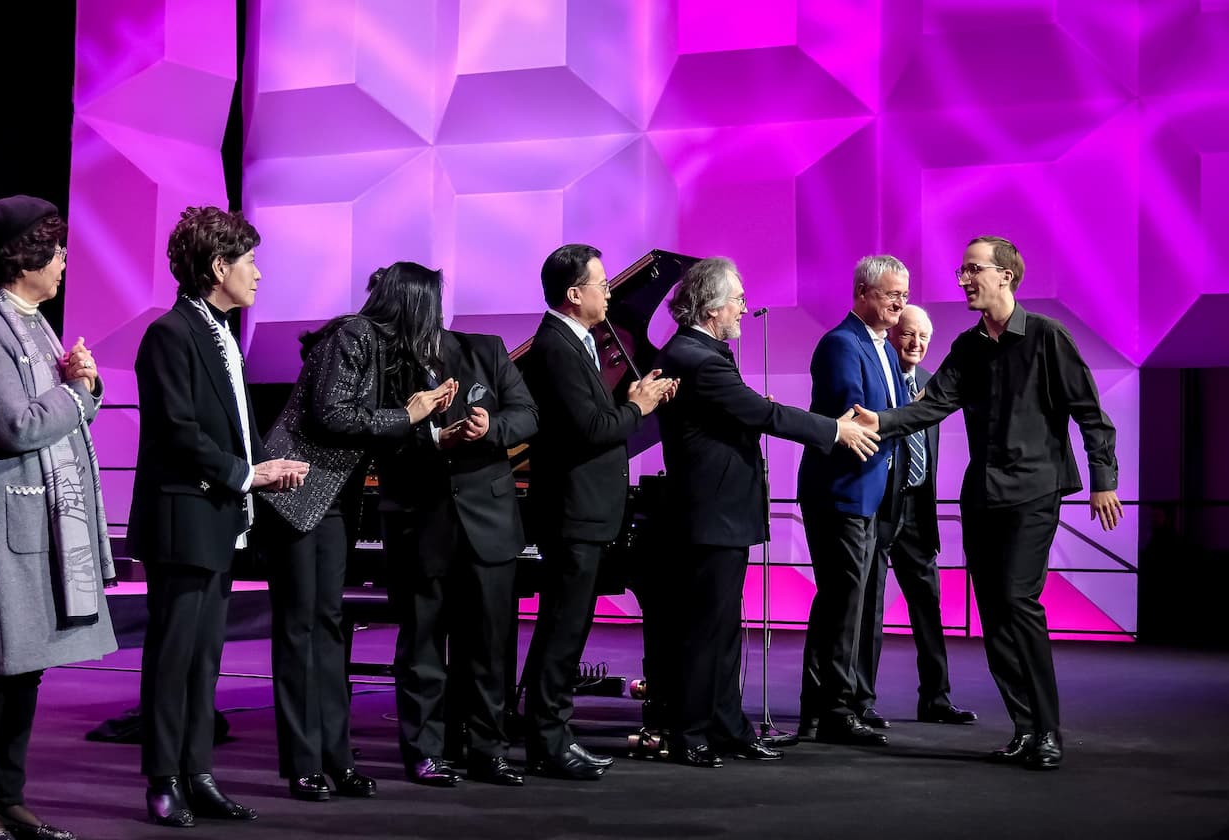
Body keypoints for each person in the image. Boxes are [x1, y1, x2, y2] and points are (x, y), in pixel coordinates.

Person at [854, 235, 1122, 771]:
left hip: (1034, 492)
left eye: (974, 269)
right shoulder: (969, 348)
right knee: (995, 614)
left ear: (1006, 275)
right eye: (962, 271)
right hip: (982, 497)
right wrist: (881, 422)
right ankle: (1025, 729)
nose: (965, 279)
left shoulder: (1047, 338)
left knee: (1020, 602)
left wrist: (1103, 478)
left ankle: (1047, 731)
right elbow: (932, 406)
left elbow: (1090, 413)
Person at [646, 256, 878, 768]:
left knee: (725, 627)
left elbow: (738, 413)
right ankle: (689, 733)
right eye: (738, 301)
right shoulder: (698, 357)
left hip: (719, 512)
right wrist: (834, 430)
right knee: (705, 630)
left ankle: (727, 726)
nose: (744, 310)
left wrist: (749, 410)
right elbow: (762, 413)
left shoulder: (698, 352)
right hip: (710, 514)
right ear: (711, 307)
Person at [129, 205, 308, 828]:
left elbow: (230, 429)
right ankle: (162, 778)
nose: (258, 274)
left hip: (219, 517)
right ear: (218, 267)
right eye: (250, 261)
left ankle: (198, 772)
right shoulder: (170, 334)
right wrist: (246, 473)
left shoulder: (220, 333)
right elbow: (178, 433)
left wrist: (263, 469)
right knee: (174, 653)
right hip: (183, 519)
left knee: (206, 657)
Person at [0, 196, 116, 840]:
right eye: (57, 249)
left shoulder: (36, 321)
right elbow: (16, 426)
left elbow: (63, 409)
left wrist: (85, 387)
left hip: (47, 518)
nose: (66, 262)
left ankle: (10, 797)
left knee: (29, 666)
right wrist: (77, 393)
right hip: (6, 519)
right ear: (26, 256)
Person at [259, 263, 456, 801]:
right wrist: (406, 415)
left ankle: (337, 760)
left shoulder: (382, 349)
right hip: (296, 491)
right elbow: (330, 415)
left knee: (326, 627)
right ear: (412, 304)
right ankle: (303, 763)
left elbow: (374, 425)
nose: (437, 318)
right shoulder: (353, 334)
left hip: (332, 500)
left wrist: (430, 421)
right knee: (302, 630)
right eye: (432, 307)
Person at [373, 262, 538, 789]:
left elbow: (527, 414)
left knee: (489, 646)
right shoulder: (383, 364)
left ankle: (488, 749)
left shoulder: (483, 350)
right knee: (422, 646)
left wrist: (491, 430)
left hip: (488, 521)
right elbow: (371, 437)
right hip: (421, 521)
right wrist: (430, 440)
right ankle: (425, 751)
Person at [516, 244, 674, 781]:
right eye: (601, 283)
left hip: (584, 510)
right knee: (562, 630)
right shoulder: (557, 347)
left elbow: (594, 418)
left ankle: (550, 734)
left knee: (567, 628)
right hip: (571, 512)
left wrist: (625, 400)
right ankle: (549, 740)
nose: (610, 292)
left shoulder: (577, 341)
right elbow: (590, 431)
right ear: (574, 293)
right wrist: (638, 406)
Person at [795, 255, 911, 746]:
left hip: (870, 495)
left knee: (849, 603)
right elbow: (857, 418)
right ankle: (833, 710)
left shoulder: (882, 346)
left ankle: (831, 706)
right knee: (843, 602)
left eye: (904, 295)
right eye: (891, 295)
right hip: (841, 492)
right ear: (863, 293)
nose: (900, 304)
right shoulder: (842, 344)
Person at [860, 304, 977, 726]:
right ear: (893, 335)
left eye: (925, 338)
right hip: (880, 508)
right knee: (870, 607)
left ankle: (937, 698)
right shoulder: (879, 376)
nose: (916, 344)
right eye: (909, 334)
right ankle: (861, 701)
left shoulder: (931, 385)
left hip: (918, 510)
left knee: (929, 607)